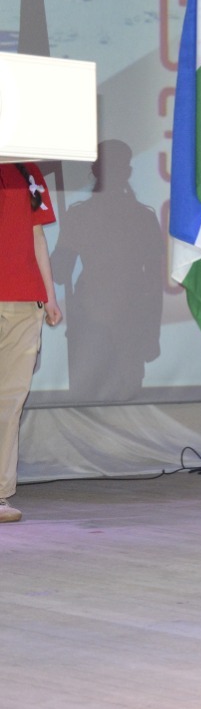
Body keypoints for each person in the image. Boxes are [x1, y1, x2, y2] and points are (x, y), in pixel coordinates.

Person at [1, 163, 62, 524]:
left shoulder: (27, 169)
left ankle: (0, 492)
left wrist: (49, 297)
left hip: (25, 300)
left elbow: (37, 235)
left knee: (10, 401)